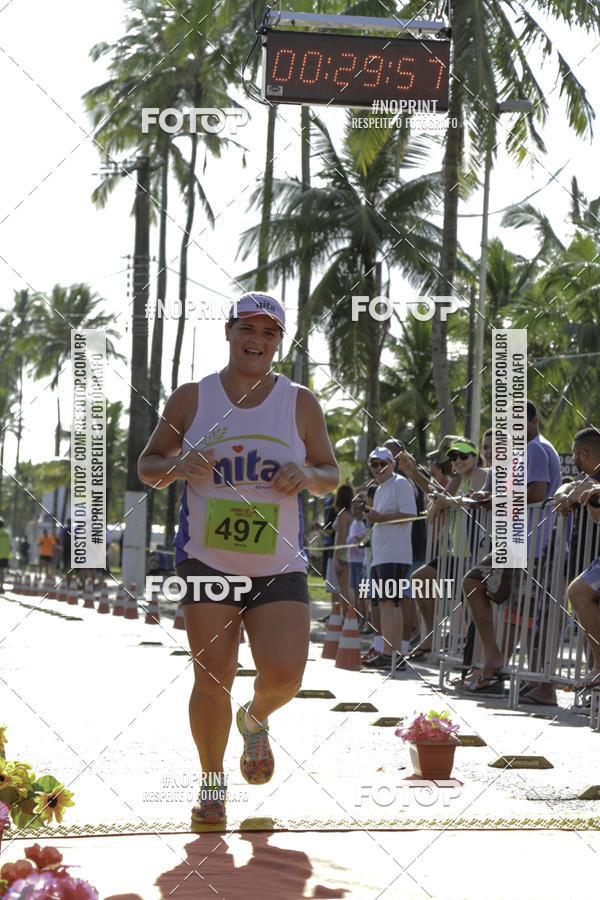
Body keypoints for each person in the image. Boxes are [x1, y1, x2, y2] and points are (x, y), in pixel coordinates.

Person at [137, 292, 338, 830]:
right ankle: (211, 786)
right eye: (248, 329)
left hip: (277, 565)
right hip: (207, 560)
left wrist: (307, 477)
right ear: (228, 332)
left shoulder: (299, 403)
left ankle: (257, 718)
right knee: (213, 676)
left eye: (270, 333)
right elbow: (148, 465)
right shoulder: (191, 398)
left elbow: (329, 474)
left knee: (285, 676)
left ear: (279, 343)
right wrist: (179, 464)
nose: (258, 340)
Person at [461, 401, 561, 701]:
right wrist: (492, 496)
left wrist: (495, 499)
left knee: (483, 588)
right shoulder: (530, 449)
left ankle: (505, 668)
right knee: (523, 613)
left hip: (532, 544)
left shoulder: (535, 449)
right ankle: (515, 673)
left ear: (532, 421)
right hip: (523, 543)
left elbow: (538, 493)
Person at [410, 438, 487, 656]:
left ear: (475, 457)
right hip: (456, 554)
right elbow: (440, 499)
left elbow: (473, 502)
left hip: (476, 553)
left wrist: (442, 503)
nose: (458, 460)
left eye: (464, 456)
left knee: (472, 611)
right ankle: (431, 636)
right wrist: (414, 474)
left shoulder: (481, 474)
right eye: (453, 456)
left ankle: (477, 662)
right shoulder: (456, 480)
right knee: (420, 579)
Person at [362, 446, 417, 672]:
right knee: (383, 603)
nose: (378, 468)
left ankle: (392, 654)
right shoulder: (381, 488)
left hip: (395, 553)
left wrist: (380, 518)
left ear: (392, 464)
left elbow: (411, 513)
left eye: (382, 463)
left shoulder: (400, 483)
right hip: (381, 554)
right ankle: (390, 653)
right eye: (373, 464)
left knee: (389, 602)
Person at [557, 427, 600, 690]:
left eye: (575, 455)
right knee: (581, 598)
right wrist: (566, 496)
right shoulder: (587, 479)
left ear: (583, 453)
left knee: (579, 592)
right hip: (588, 560)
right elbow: (563, 487)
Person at [324, 484, 353, 618]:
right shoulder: (352, 514)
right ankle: (349, 618)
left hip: (343, 556)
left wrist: (336, 559)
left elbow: (339, 538)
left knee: (344, 590)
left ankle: (348, 619)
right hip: (352, 554)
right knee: (349, 589)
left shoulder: (342, 515)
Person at [348, 497, 368, 630]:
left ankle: (366, 620)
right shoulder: (353, 523)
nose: (356, 511)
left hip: (362, 562)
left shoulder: (365, 523)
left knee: (363, 594)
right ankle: (359, 619)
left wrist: (360, 538)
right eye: (354, 508)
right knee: (356, 593)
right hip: (352, 561)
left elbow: (365, 540)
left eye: (359, 508)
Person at [0, 518, 11, 593]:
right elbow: (10, 545)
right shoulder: (7, 533)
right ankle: (1, 587)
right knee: (2, 571)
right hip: (5, 555)